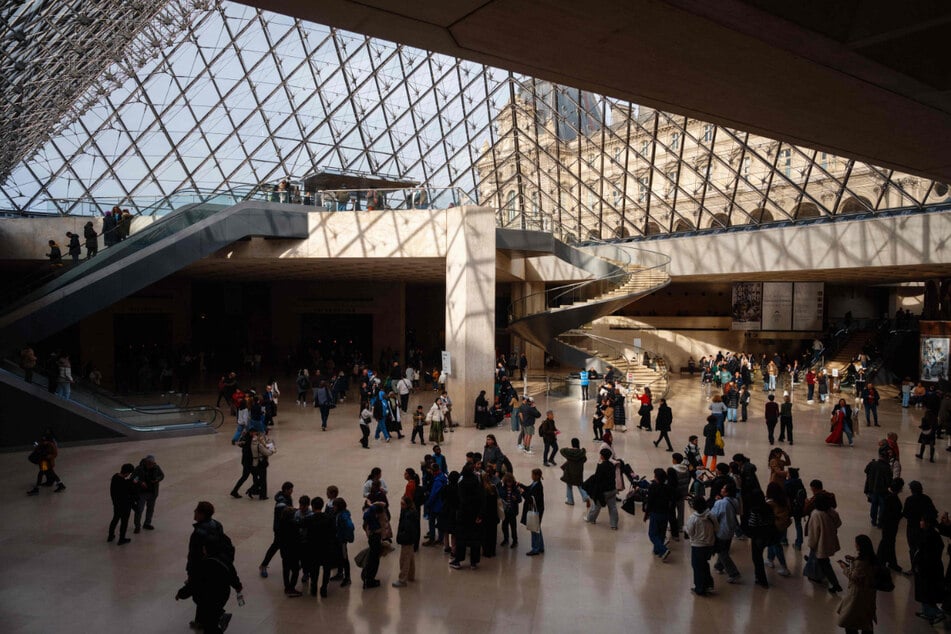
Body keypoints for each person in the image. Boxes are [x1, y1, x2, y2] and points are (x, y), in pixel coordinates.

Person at [183, 501, 238, 632]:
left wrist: (190, 572)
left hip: (203, 567)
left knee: (199, 595)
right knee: (204, 593)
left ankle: (218, 615)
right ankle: (200, 621)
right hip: (217, 564)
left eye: (196, 510)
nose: (194, 512)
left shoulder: (198, 533)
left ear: (201, 514)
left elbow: (194, 554)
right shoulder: (217, 525)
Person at [835, 535, 879, 634]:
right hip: (869, 594)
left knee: (849, 621)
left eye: (856, 543)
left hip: (857, 595)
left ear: (860, 546)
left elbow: (854, 577)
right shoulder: (872, 558)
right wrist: (854, 559)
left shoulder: (861, 563)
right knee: (866, 621)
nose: (855, 545)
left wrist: (844, 568)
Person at [807, 493, 844, 594]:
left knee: (824, 563)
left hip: (821, 543)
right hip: (830, 540)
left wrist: (811, 545)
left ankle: (835, 584)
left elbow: (814, 533)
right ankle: (819, 576)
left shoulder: (816, 514)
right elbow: (838, 523)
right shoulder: (831, 511)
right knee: (823, 560)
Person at [913, 511, 946, 625]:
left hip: (927, 569)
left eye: (922, 521)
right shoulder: (931, 534)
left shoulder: (928, 536)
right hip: (931, 568)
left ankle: (935, 612)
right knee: (926, 591)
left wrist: (919, 565)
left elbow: (925, 554)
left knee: (927, 592)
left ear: (927, 523)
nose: (920, 522)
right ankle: (927, 612)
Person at [685, 496, 719, 596]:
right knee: (704, 564)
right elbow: (717, 528)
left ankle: (700, 588)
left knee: (697, 567)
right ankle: (709, 584)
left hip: (697, 546)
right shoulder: (711, 515)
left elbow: (690, 532)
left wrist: (685, 529)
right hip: (709, 545)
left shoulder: (693, 518)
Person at [711, 482, 742, 584]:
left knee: (722, 552)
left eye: (724, 488)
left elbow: (714, 516)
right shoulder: (735, 501)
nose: (721, 489)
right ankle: (719, 566)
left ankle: (734, 573)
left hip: (721, 530)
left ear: (727, 492)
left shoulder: (720, 503)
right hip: (730, 529)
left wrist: (717, 502)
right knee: (724, 549)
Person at [584, 448, 619, 529]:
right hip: (612, 490)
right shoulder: (611, 465)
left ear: (602, 456)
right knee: (613, 507)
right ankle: (614, 525)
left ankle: (591, 519)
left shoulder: (601, 466)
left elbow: (597, 478)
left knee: (596, 506)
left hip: (603, 491)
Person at [644, 468, 673, 560]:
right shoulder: (668, 487)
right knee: (661, 532)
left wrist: (646, 514)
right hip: (665, 513)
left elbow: (650, 501)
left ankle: (663, 550)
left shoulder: (653, 486)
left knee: (652, 534)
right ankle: (658, 550)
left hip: (656, 513)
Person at [877, 477, 904, 573]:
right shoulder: (891, 498)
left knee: (887, 542)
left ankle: (886, 562)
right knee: (888, 542)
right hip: (890, 525)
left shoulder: (890, 496)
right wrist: (902, 514)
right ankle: (886, 562)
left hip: (889, 524)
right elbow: (890, 513)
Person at [132, 455, 165, 533]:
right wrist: (141, 483)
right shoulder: (139, 469)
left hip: (153, 492)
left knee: (150, 509)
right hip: (142, 493)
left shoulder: (156, 467)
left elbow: (162, 475)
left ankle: (147, 523)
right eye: (149, 464)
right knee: (139, 509)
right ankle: (137, 526)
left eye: (152, 464)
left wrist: (157, 479)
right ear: (146, 462)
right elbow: (134, 479)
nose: (150, 466)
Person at [392, 495, 420, 586]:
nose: (401, 505)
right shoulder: (410, 513)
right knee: (410, 558)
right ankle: (410, 576)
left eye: (402, 504)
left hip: (407, 540)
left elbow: (407, 529)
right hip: (410, 539)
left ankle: (402, 579)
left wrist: (402, 537)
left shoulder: (408, 515)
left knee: (404, 560)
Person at [519, 468, 545, 556]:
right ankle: (540, 546)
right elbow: (529, 488)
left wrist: (522, 493)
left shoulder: (538, 487)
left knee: (534, 529)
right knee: (537, 528)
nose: (531, 476)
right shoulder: (535, 483)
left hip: (536, 510)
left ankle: (535, 549)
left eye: (532, 475)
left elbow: (530, 499)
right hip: (536, 509)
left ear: (537, 476)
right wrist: (521, 485)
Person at [108, 463, 136, 545]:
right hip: (124, 505)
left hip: (116, 504)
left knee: (115, 519)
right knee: (124, 522)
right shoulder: (123, 483)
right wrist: (134, 481)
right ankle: (122, 538)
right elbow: (129, 489)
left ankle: (110, 535)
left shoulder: (115, 477)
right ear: (127, 472)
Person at [361, 501, 387, 588]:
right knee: (374, 560)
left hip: (372, 537)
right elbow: (383, 504)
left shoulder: (368, 515)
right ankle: (370, 580)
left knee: (372, 557)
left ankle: (367, 577)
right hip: (376, 538)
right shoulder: (373, 517)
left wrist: (370, 504)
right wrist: (371, 505)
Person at [863, 449, 892, 527]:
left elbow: (866, 471)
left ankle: (873, 520)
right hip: (882, 490)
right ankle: (880, 522)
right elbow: (889, 481)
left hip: (872, 489)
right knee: (882, 506)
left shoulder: (872, 463)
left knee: (874, 504)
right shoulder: (887, 467)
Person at [560, 438, 589, 506]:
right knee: (579, 485)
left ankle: (570, 501)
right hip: (578, 471)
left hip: (569, 471)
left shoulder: (568, 452)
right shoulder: (581, 453)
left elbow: (561, 450)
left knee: (569, 485)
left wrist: (569, 448)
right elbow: (584, 460)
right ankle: (585, 496)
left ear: (572, 444)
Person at [498, 473, 521, 549]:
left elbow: (520, 499)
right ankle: (506, 539)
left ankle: (515, 540)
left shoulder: (516, 489)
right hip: (505, 511)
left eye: (510, 482)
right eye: (507, 482)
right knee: (504, 526)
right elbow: (500, 496)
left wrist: (516, 499)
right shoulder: (502, 488)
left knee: (513, 527)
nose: (509, 484)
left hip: (512, 511)